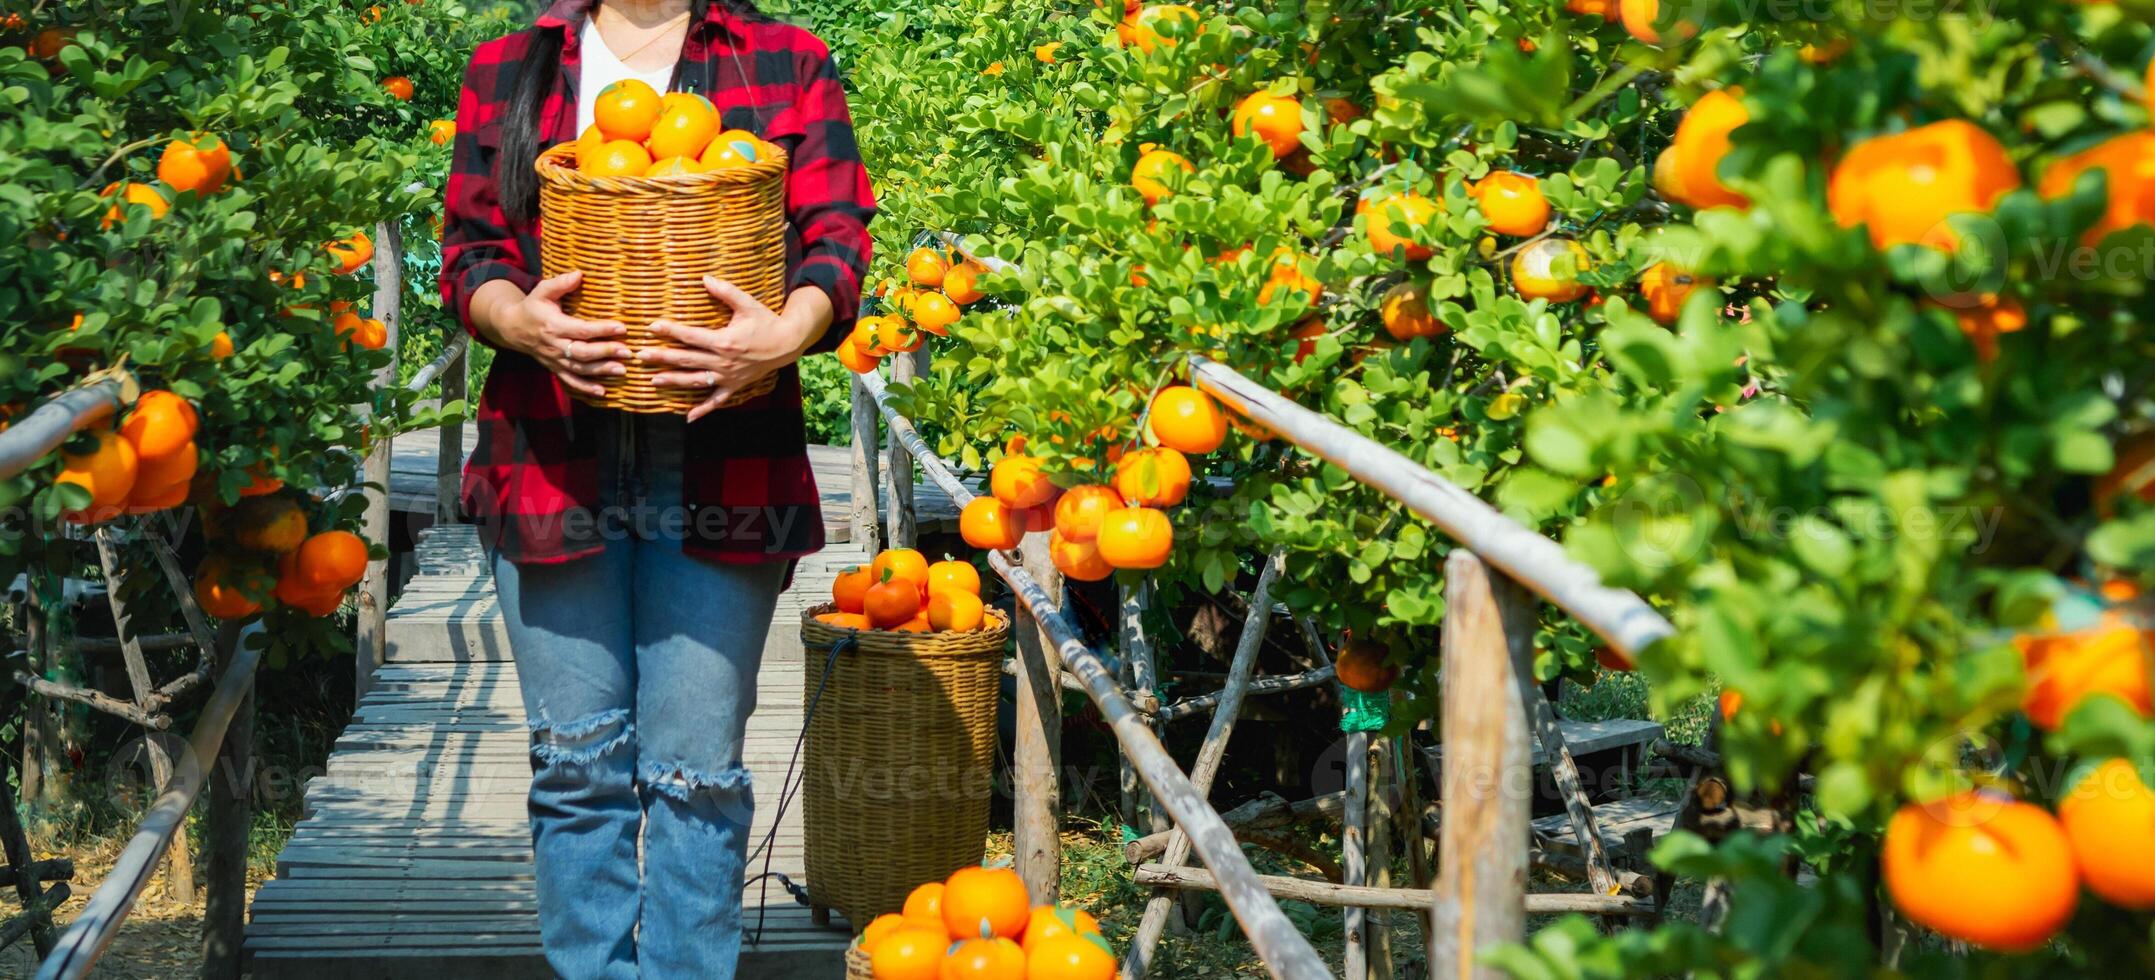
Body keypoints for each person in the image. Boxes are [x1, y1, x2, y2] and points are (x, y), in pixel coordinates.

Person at [438, 0, 873, 975]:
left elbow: (836, 236)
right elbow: (470, 250)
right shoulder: (510, 64)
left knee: (698, 773)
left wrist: (787, 331)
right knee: (577, 764)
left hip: (726, 450)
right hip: (550, 451)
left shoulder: (784, 59)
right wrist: (520, 322)